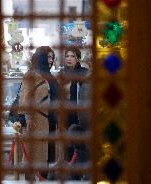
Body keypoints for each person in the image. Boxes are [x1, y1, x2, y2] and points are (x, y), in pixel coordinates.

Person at [18, 46, 59, 179]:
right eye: (48, 57)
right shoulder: (31, 74)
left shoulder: (51, 76)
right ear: (41, 57)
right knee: (34, 157)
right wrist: (28, 117)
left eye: (52, 57)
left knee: (48, 157)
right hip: (36, 123)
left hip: (52, 122)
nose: (51, 60)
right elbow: (24, 98)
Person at [61, 46, 90, 180]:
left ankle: (80, 175)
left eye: (72, 56)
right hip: (66, 114)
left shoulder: (84, 72)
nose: (69, 59)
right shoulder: (62, 73)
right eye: (67, 56)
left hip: (81, 115)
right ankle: (71, 176)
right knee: (68, 147)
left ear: (77, 58)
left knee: (80, 148)